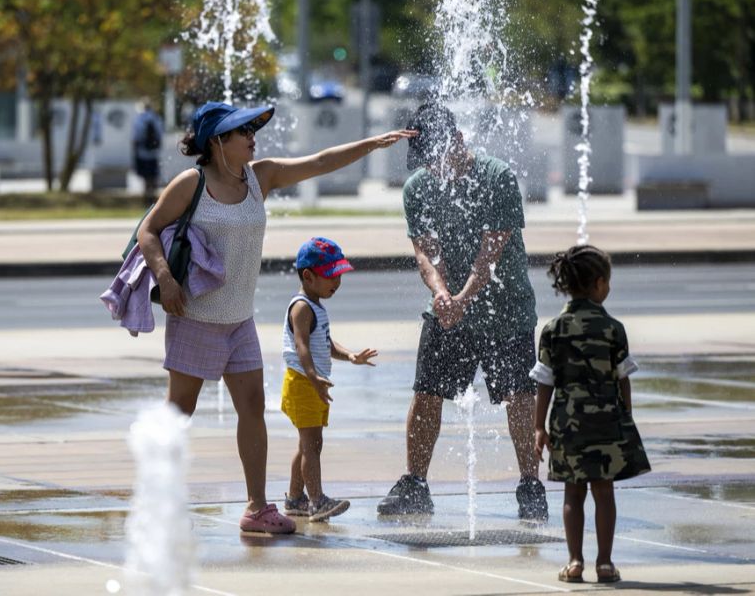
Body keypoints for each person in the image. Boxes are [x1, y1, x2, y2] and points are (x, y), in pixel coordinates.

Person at [137, 100, 414, 534]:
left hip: (239, 321)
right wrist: (165, 279)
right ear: (217, 141)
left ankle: (257, 508)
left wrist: (371, 144)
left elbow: (319, 162)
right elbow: (148, 231)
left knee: (252, 408)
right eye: (242, 132)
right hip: (196, 316)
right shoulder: (190, 184)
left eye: (252, 131)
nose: (253, 138)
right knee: (179, 412)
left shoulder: (258, 176)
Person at [377, 102, 549, 522]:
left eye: (436, 160)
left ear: (457, 140)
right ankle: (416, 483)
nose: (433, 170)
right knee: (426, 393)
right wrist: (441, 294)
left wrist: (464, 297)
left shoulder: (497, 177)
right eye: (425, 163)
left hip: (505, 310)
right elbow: (425, 250)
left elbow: (493, 248)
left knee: (518, 397)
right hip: (448, 308)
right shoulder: (418, 187)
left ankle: (530, 485)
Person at [532, 244, 650, 583]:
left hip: (567, 422)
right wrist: (626, 417)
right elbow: (623, 379)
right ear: (598, 283)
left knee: (573, 493)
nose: (608, 289)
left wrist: (539, 427)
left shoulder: (553, 329)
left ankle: (573, 562)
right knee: (604, 493)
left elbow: (545, 382)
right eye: (607, 283)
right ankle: (604, 563)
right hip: (606, 422)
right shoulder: (613, 328)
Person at [281, 237, 378, 523]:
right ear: (308, 276)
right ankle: (317, 501)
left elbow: (324, 343)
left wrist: (351, 356)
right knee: (311, 445)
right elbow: (302, 347)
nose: (337, 282)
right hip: (303, 382)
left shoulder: (315, 305)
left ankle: (295, 499)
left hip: (311, 382)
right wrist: (313, 377)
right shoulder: (301, 308)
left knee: (307, 444)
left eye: (339, 275)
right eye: (331, 275)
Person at [133, 98, 164, 207]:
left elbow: (135, 138)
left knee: (146, 178)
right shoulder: (156, 118)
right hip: (153, 153)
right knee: (153, 177)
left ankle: (146, 198)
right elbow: (160, 136)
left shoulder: (139, 119)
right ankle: (152, 199)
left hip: (142, 152)